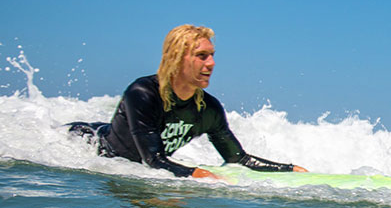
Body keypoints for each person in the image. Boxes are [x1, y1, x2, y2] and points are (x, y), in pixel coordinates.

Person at [68, 24, 306, 178]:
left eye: (212, 56)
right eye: (202, 56)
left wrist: (289, 169)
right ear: (177, 58)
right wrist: (197, 174)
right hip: (87, 143)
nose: (211, 63)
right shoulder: (143, 94)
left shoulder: (208, 109)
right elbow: (153, 160)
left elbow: (237, 159)